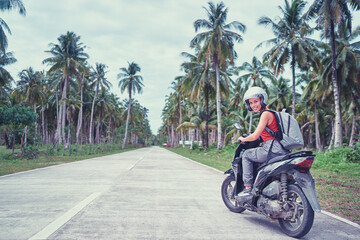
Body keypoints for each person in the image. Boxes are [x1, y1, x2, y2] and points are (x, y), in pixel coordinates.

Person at [237, 86, 289, 199]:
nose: (253, 105)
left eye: (256, 101)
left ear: (262, 100)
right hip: (279, 148)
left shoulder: (265, 114)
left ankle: (248, 188)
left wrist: (243, 139)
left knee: (246, 155)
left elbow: (255, 135)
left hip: (271, 148)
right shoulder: (271, 113)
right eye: (250, 103)